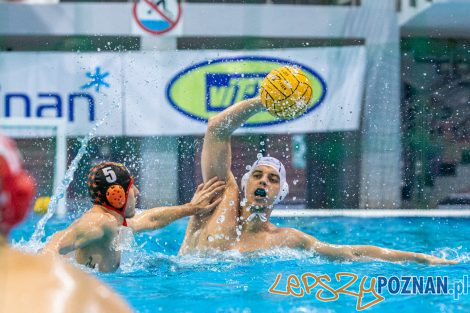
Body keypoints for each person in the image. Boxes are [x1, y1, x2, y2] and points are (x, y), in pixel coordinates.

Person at [179, 97, 457, 265]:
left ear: (280, 193)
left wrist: (419, 258)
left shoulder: (287, 240)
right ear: (245, 183)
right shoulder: (219, 200)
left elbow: (351, 253)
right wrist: (263, 102)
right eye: (257, 175)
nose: (263, 181)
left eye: (273, 179)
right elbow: (217, 128)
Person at [0, 134, 133, 313]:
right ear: (22, 199)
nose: (137, 192)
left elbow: (145, 220)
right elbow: (59, 239)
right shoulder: (85, 297)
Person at [43, 162, 224, 272]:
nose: (137, 192)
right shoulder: (100, 221)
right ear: (117, 194)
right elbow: (57, 242)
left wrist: (191, 208)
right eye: (132, 187)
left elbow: (149, 219)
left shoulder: (112, 222)